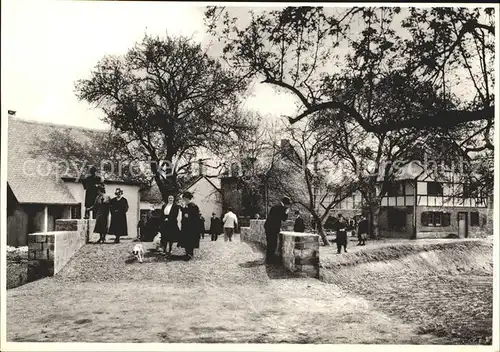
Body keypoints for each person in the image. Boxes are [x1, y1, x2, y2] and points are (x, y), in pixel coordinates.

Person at [264, 196, 291, 263]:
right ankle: (270, 260)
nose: (288, 205)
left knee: (269, 243)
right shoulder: (282, 208)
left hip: (268, 226)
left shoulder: (275, 206)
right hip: (273, 228)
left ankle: (268, 259)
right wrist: (286, 212)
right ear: (285, 203)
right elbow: (284, 219)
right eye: (288, 204)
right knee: (273, 244)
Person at [180, 191, 201, 260]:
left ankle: (190, 253)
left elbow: (195, 217)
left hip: (191, 227)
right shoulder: (186, 206)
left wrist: (188, 216)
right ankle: (187, 253)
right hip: (186, 226)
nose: (183, 200)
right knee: (186, 240)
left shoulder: (193, 206)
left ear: (187, 198)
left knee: (190, 240)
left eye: (184, 198)